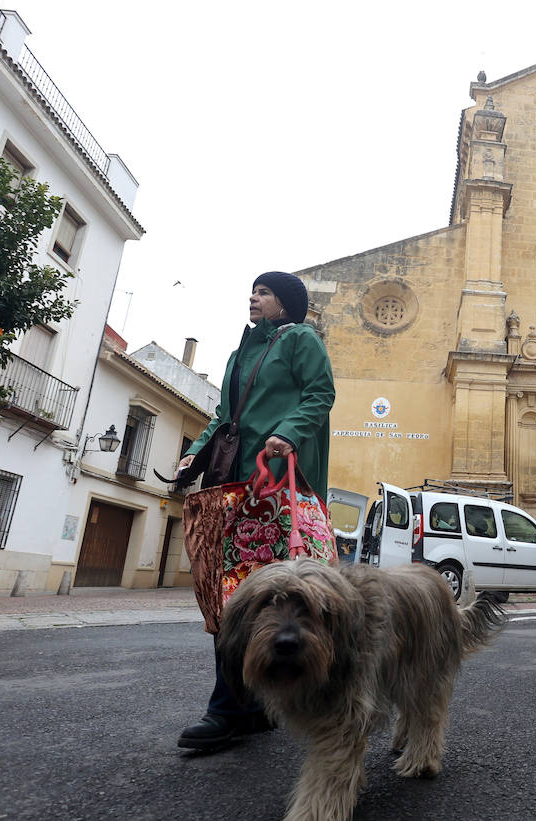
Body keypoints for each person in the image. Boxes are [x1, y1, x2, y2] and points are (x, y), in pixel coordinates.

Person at [176, 271, 335, 751]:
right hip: (234, 484)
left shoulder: (301, 340)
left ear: (285, 305)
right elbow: (225, 415)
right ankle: (251, 707)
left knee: (254, 594)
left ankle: (228, 710)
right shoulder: (239, 352)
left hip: (277, 485)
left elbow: (320, 395)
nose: (253, 297)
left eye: (264, 292)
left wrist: (288, 431)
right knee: (237, 592)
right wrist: (197, 451)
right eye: (253, 290)